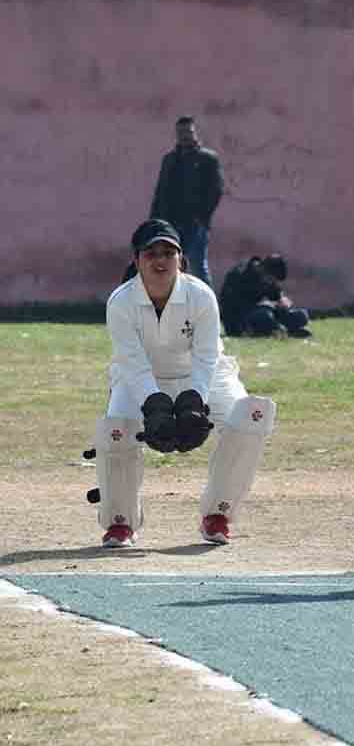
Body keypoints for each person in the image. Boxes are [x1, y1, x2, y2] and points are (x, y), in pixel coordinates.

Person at [94, 219, 276, 548]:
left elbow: (207, 356)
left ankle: (217, 513)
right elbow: (132, 361)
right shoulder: (120, 302)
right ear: (136, 260)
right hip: (139, 378)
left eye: (168, 252)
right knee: (115, 430)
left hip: (204, 375)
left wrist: (194, 400)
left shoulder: (200, 295)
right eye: (151, 253)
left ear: (181, 259)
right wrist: (154, 404)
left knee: (251, 416)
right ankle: (120, 522)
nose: (160, 260)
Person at [149, 116, 224, 287]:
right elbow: (160, 192)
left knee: (198, 265)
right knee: (173, 265)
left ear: (195, 133)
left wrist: (202, 217)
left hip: (195, 223)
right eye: (181, 132)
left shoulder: (207, 159)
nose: (185, 136)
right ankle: (178, 302)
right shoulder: (169, 159)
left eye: (188, 132)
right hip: (170, 222)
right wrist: (154, 220)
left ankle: (207, 302)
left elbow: (216, 190)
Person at [218, 253, 312, 338]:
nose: (271, 282)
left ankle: (281, 329)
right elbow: (229, 307)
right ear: (262, 269)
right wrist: (264, 305)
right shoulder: (239, 274)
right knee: (265, 315)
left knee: (301, 315)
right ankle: (284, 330)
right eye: (270, 279)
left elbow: (276, 295)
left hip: (263, 314)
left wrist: (282, 301)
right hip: (240, 320)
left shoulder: (266, 278)